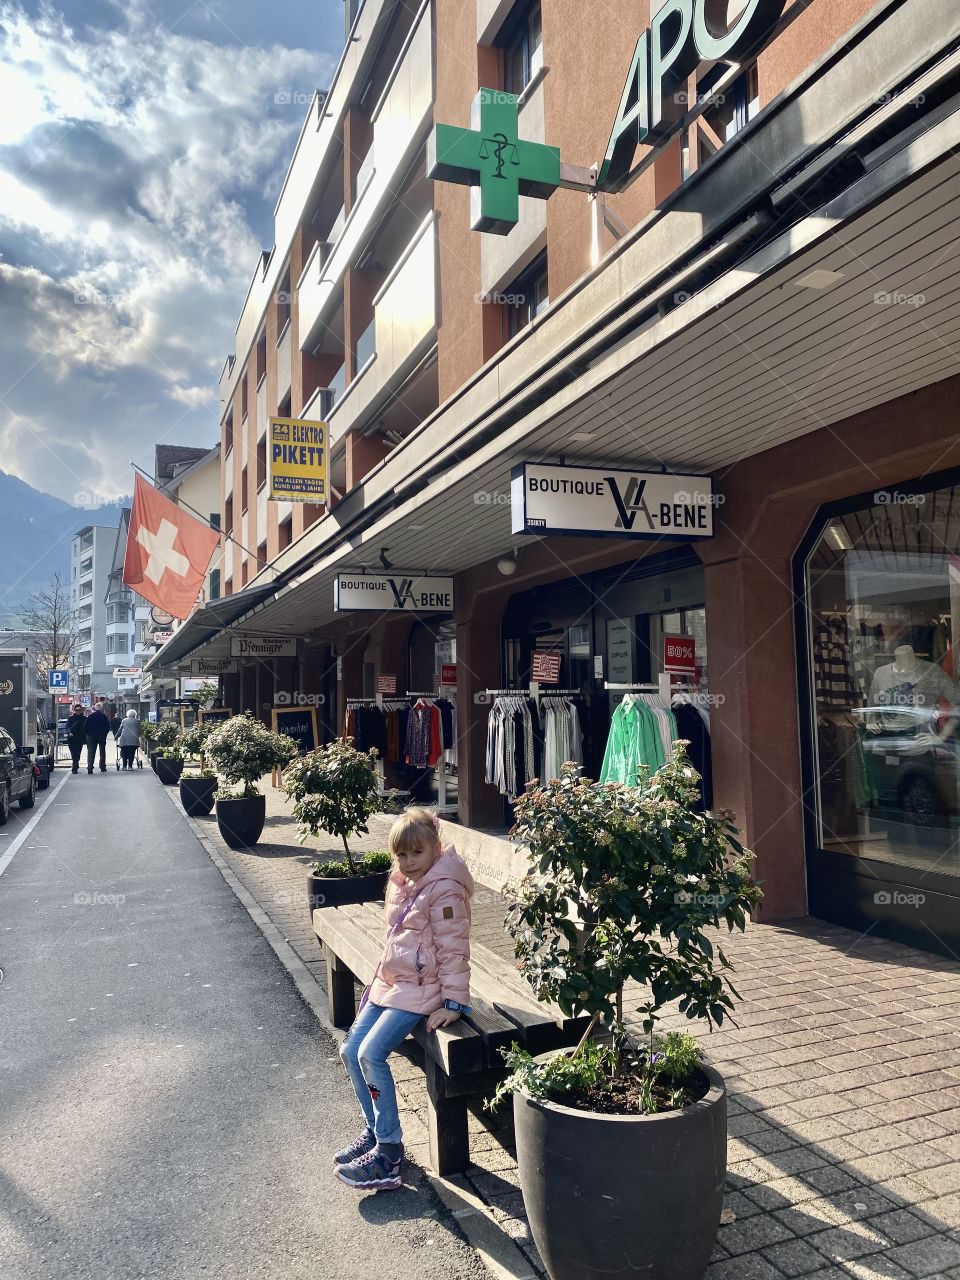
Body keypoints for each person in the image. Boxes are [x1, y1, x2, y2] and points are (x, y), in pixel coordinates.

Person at [335, 808, 474, 1192]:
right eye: (401, 855)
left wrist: (453, 1003)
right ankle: (377, 1129)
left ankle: (390, 1153)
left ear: (435, 847)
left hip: (424, 989)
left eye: (416, 853)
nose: (408, 862)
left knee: (370, 1054)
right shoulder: (401, 882)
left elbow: (453, 949)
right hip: (394, 983)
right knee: (350, 1051)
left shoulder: (444, 887)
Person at [84, 704, 111, 774]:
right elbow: (108, 727)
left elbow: (85, 726)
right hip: (101, 736)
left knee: (91, 752)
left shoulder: (90, 716)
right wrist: (104, 734)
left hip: (91, 736)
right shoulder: (104, 716)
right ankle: (102, 767)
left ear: (95, 708)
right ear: (101, 708)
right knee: (102, 752)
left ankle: (90, 767)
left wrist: (88, 734)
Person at [65, 704, 87, 774]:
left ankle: (76, 764)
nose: (78, 711)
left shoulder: (84, 718)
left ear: (81, 710)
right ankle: (74, 768)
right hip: (71, 739)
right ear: (74, 710)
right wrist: (69, 732)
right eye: (76, 710)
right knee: (73, 754)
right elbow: (67, 726)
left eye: (79, 710)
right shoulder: (70, 718)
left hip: (80, 739)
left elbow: (87, 728)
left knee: (78, 754)